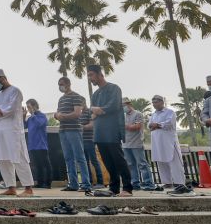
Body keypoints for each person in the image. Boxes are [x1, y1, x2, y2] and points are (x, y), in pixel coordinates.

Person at [87, 65, 132, 196]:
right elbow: (93, 112)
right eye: (88, 76)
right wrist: (96, 111)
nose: (90, 78)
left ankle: (128, 188)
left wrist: (99, 110)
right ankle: (114, 187)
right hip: (99, 132)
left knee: (118, 159)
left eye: (91, 75)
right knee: (107, 161)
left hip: (112, 131)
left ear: (100, 74)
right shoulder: (95, 94)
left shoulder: (114, 88)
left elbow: (112, 106)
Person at [0, 69, 34, 196]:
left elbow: (11, 109)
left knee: (18, 157)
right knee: (2, 159)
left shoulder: (15, 91)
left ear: (2, 78)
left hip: (13, 131)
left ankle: (28, 188)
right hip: (0, 131)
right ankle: (11, 187)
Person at [55, 77, 92, 192]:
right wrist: (57, 116)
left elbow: (77, 114)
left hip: (74, 130)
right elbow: (57, 113)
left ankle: (86, 184)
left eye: (61, 84)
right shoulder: (61, 99)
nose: (60, 86)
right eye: (58, 84)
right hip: (63, 131)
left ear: (68, 84)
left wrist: (62, 116)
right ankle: (73, 184)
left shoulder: (77, 97)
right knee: (68, 158)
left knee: (80, 157)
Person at [148, 95, 188, 193]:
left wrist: (157, 125)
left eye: (156, 102)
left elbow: (169, 123)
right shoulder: (153, 114)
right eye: (153, 102)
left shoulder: (170, 112)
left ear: (162, 102)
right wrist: (155, 125)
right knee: (161, 161)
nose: (154, 104)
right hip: (158, 142)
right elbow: (149, 125)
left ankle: (180, 183)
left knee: (174, 162)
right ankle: (167, 182)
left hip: (169, 142)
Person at [122, 97, 157, 191]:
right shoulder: (123, 116)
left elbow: (137, 126)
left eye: (123, 105)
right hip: (125, 144)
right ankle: (135, 183)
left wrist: (124, 126)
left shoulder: (138, 114)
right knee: (130, 165)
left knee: (142, 164)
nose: (123, 107)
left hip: (136, 143)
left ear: (129, 104)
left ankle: (148, 184)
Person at [26, 99, 51, 189]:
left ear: (34, 106)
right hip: (32, 145)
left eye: (29, 107)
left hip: (41, 145)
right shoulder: (29, 119)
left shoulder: (42, 116)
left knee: (45, 164)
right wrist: (23, 116)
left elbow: (39, 124)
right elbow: (23, 125)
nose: (28, 109)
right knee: (37, 165)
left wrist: (33, 114)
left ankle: (48, 183)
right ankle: (40, 182)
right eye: (27, 107)